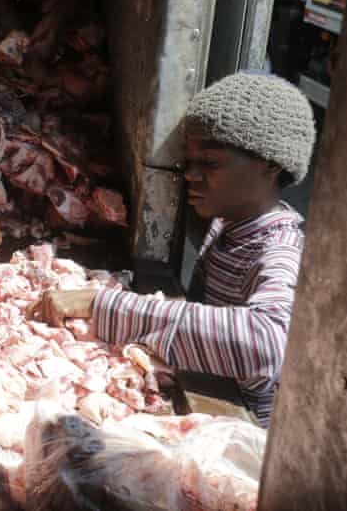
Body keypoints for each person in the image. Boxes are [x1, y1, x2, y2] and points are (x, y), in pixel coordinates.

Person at [27, 71, 316, 428]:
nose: (192, 176)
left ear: (270, 165)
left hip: (249, 433)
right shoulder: (228, 225)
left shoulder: (281, 250)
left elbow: (268, 343)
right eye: (188, 164)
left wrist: (103, 305)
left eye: (209, 163)